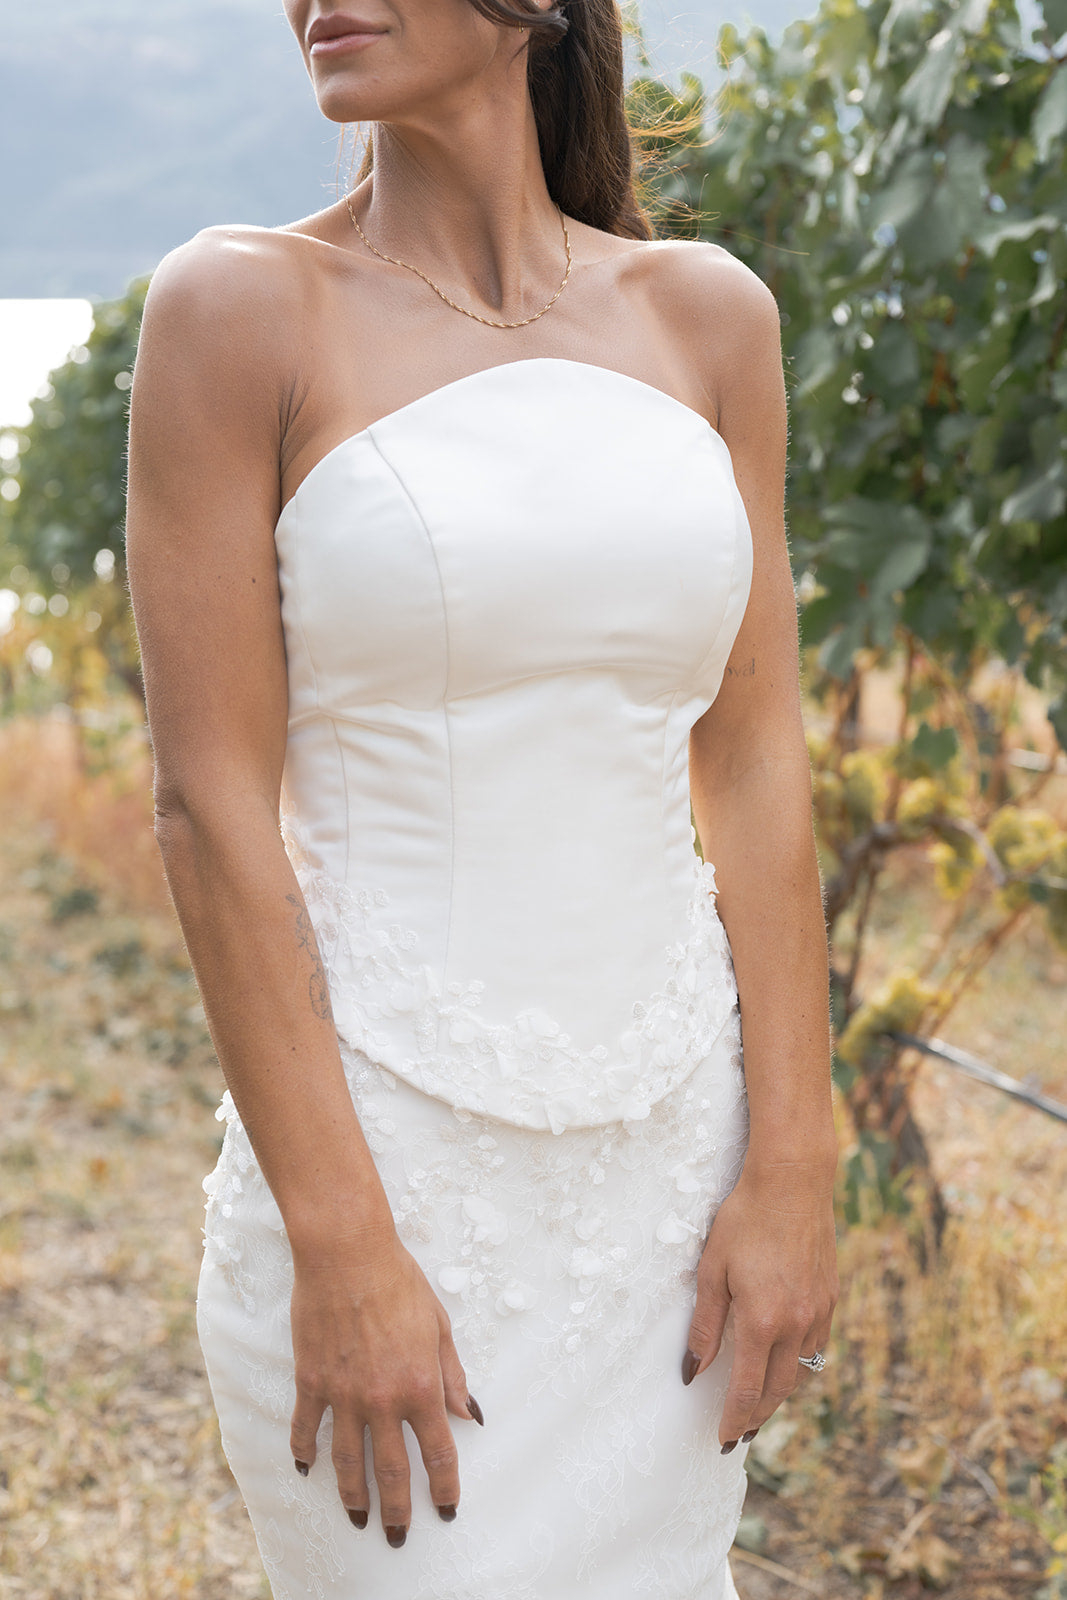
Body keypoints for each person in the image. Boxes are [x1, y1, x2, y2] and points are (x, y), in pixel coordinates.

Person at [125, 1, 839, 1595]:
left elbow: (758, 758)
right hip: (388, 1181)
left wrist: (796, 1158)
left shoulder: (710, 318)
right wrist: (343, 1243)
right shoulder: (240, 309)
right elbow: (210, 807)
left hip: (670, 1194)